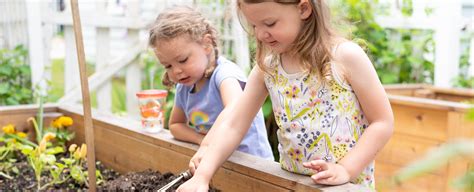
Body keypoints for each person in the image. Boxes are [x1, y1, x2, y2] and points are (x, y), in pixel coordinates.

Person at [177, 0, 394, 191]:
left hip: (346, 186)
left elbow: (382, 122)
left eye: (269, 24)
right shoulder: (268, 67)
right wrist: (203, 175)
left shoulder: (344, 57)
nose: (260, 34)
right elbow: (234, 125)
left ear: (304, 8)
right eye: (254, 25)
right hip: (291, 184)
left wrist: (346, 169)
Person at [148, 6, 274, 160]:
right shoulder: (184, 87)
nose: (176, 71)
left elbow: (234, 108)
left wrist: (208, 144)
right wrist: (200, 140)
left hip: (251, 163)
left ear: (206, 45)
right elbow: (175, 126)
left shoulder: (225, 74)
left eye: (183, 60)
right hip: (216, 162)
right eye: (168, 66)